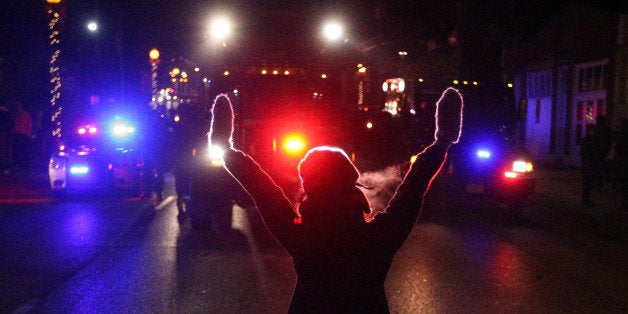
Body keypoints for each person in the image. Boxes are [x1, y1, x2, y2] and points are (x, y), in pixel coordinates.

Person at [208, 87, 463, 313]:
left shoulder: (301, 236)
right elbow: (412, 190)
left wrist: (228, 151)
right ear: (350, 183)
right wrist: (441, 143)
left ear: (309, 187)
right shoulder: (378, 237)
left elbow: (263, 190)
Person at [579, 124, 609, 207]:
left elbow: (582, 153)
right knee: (588, 183)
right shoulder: (592, 141)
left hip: (589, 164)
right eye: (594, 130)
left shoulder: (587, 140)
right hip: (590, 164)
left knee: (588, 183)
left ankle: (586, 199)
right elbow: (594, 153)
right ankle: (585, 200)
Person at [10, 100, 33, 171]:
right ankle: (17, 164)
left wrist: (28, 133)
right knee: (16, 150)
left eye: (18, 105)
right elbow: (11, 124)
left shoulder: (26, 114)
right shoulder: (14, 114)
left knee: (24, 150)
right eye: (16, 105)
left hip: (23, 135)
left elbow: (29, 124)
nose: (17, 107)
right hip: (16, 134)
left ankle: (24, 165)